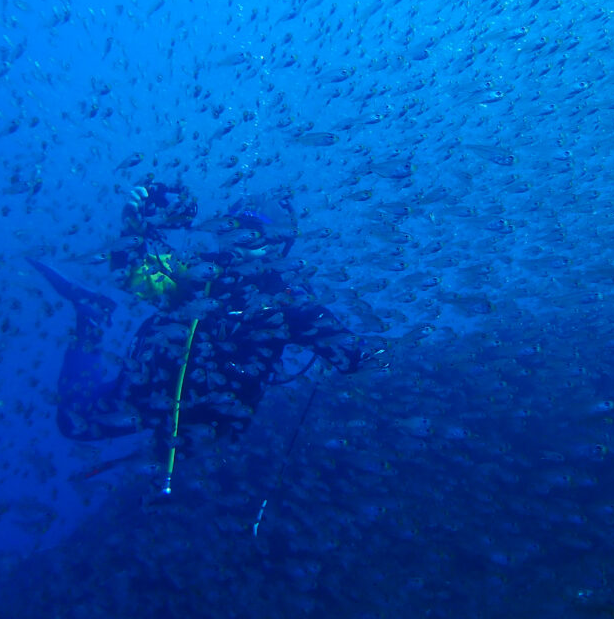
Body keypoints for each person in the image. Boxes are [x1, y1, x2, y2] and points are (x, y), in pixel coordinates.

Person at [29, 178, 371, 488]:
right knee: (73, 422)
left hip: (212, 423)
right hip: (145, 391)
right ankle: (92, 317)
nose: (238, 244)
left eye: (252, 235)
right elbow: (133, 274)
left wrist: (348, 347)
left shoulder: (290, 303)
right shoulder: (197, 274)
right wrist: (133, 221)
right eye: (232, 231)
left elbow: (353, 356)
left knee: (196, 482)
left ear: (277, 246)